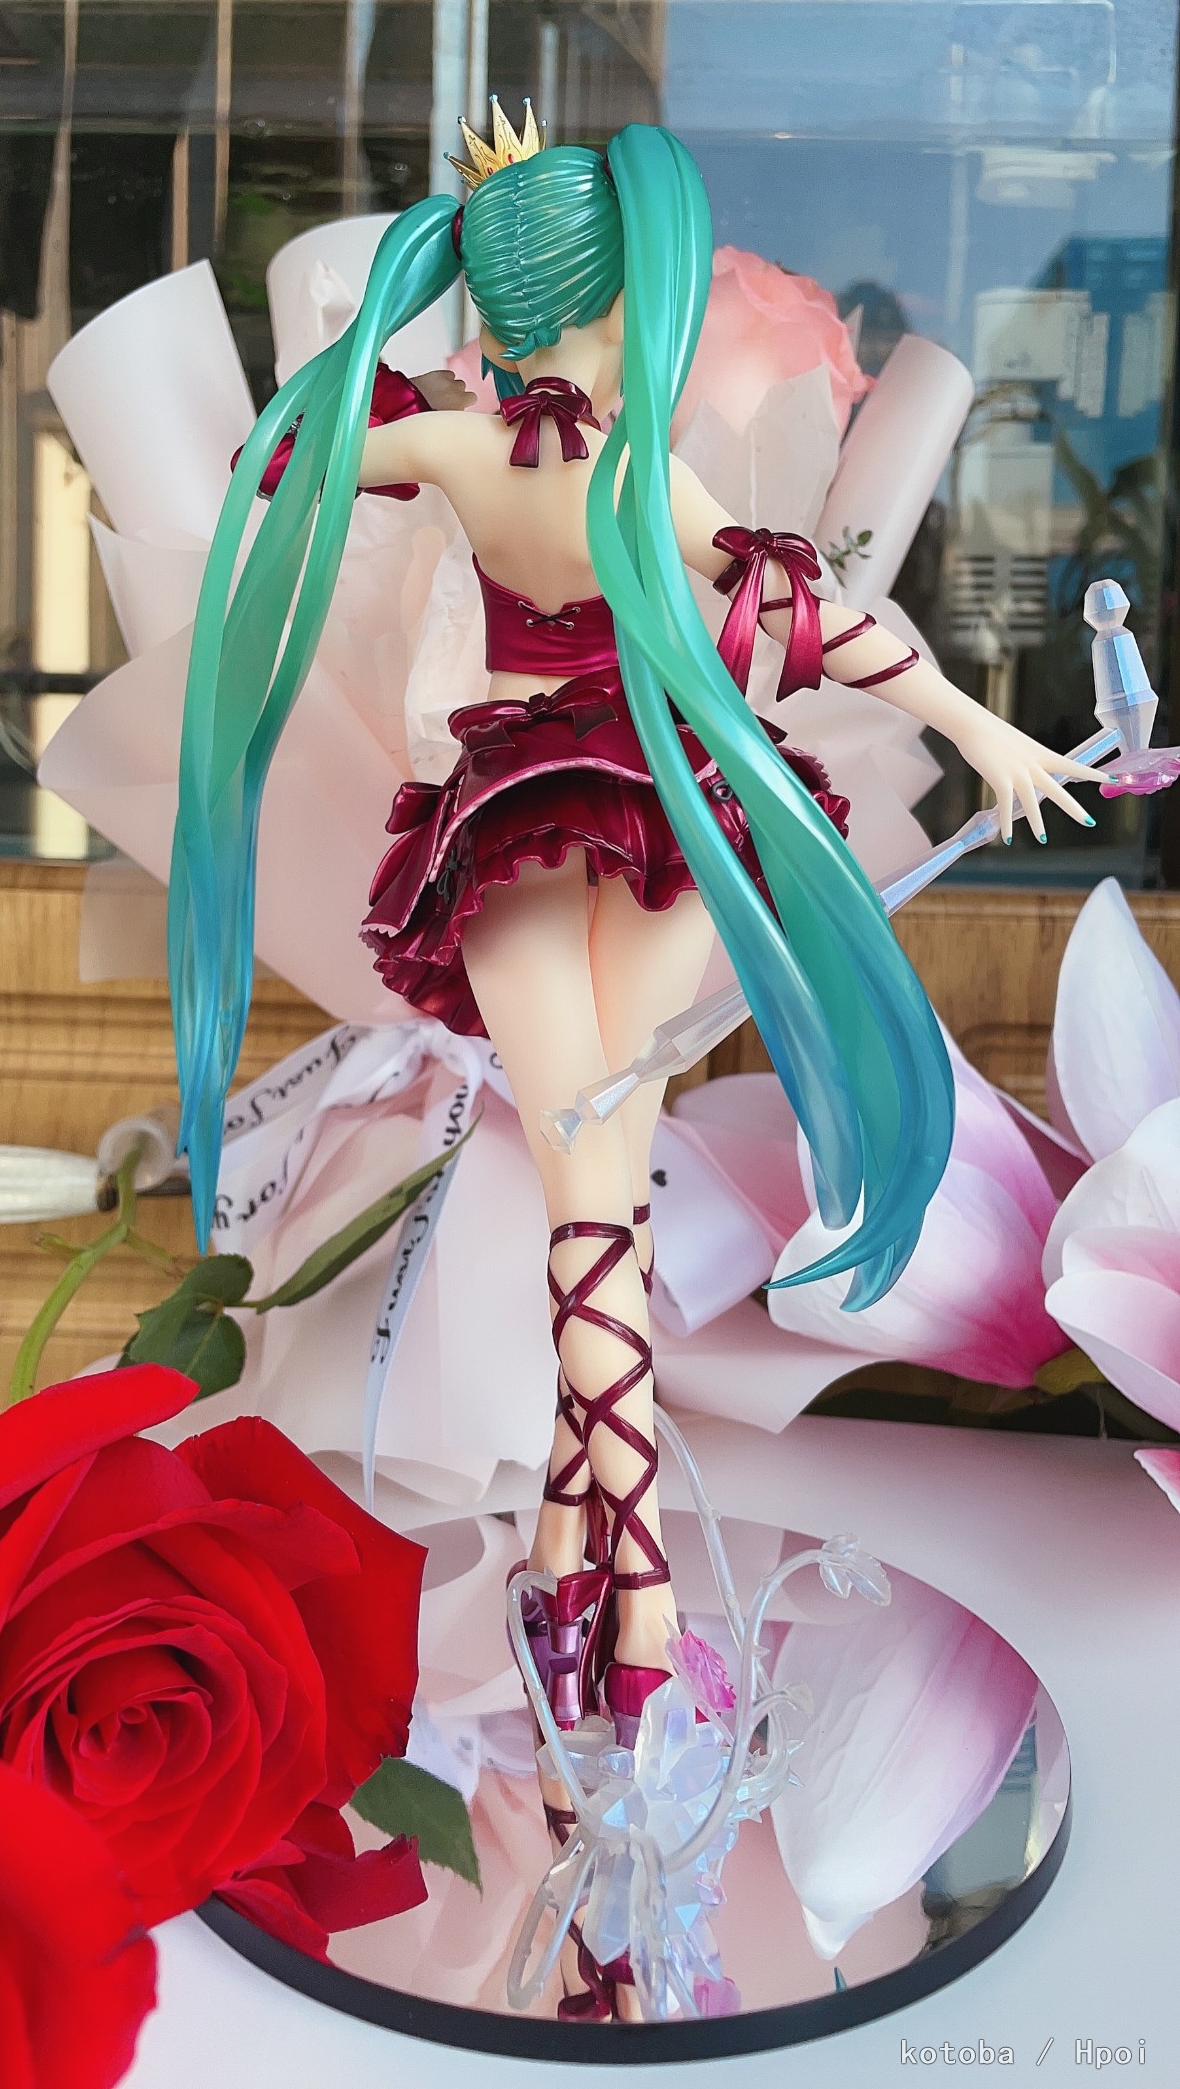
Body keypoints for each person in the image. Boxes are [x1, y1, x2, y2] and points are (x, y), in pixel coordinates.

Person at [169, 104, 1095, 2017]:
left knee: (589, 1208)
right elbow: (819, 624)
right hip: (655, 835)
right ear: (615, 308)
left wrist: (382, 362)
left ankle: (611, 1613)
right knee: (601, 1196)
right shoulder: (635, 480)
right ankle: (630, 1617)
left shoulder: (455, 448)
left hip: (516, 844)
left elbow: (280, 463)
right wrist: (989, 738)